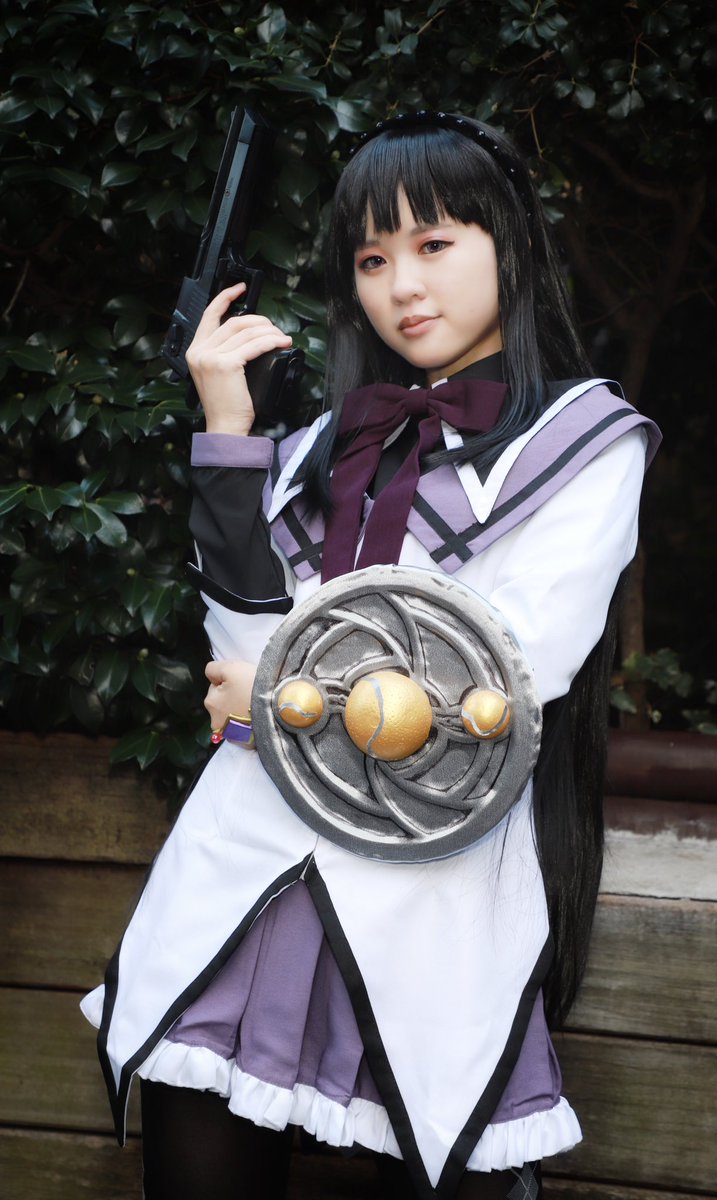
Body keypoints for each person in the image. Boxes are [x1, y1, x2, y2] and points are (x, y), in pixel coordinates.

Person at [81, 112, 660, 1200]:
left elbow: (507, 683)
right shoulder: (318, 446)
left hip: (432, 892)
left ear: (509, 243)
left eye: (434, 244)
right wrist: (228, 431)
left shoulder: (585, 444)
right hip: (243, 880)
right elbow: (236, 662)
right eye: (372, 259)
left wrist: (282, 696)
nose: (403, 285)